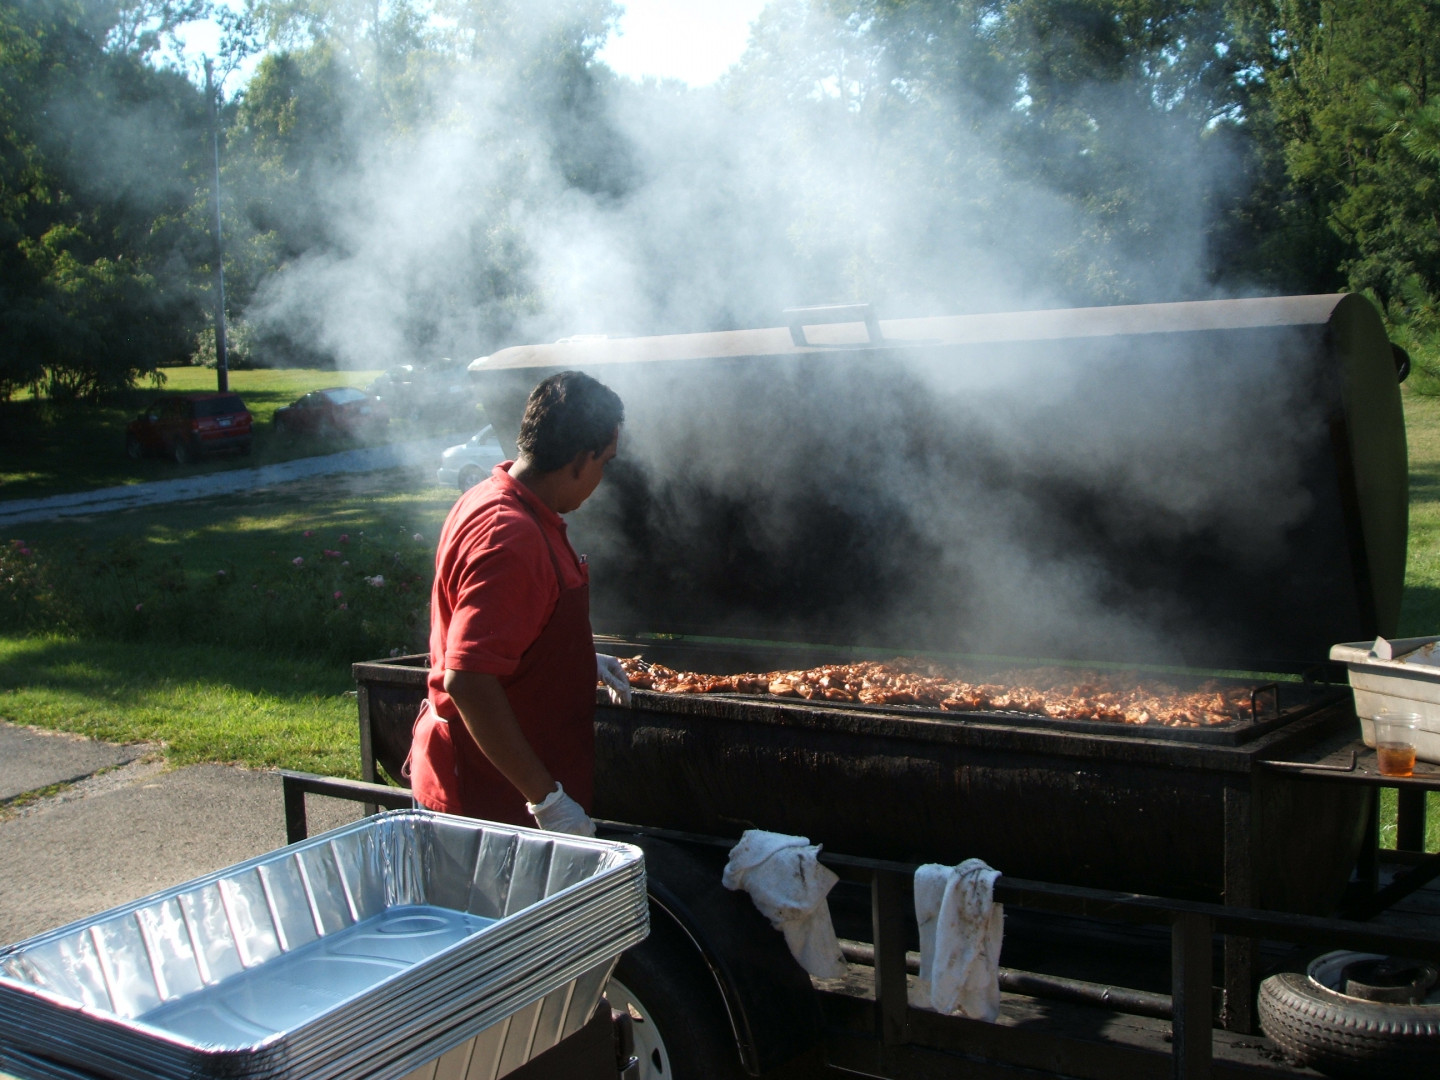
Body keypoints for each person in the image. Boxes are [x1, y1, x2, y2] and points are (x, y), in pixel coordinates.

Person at [407, 370, 631, 836]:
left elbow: (512, 633)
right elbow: (468, 680)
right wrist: (547, 801)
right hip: (489, 801)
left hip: (503, 789)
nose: (601, 477)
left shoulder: (496, 498)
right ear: (579, 458)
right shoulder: (510, 537)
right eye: (604, 462)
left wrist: (576, 660)